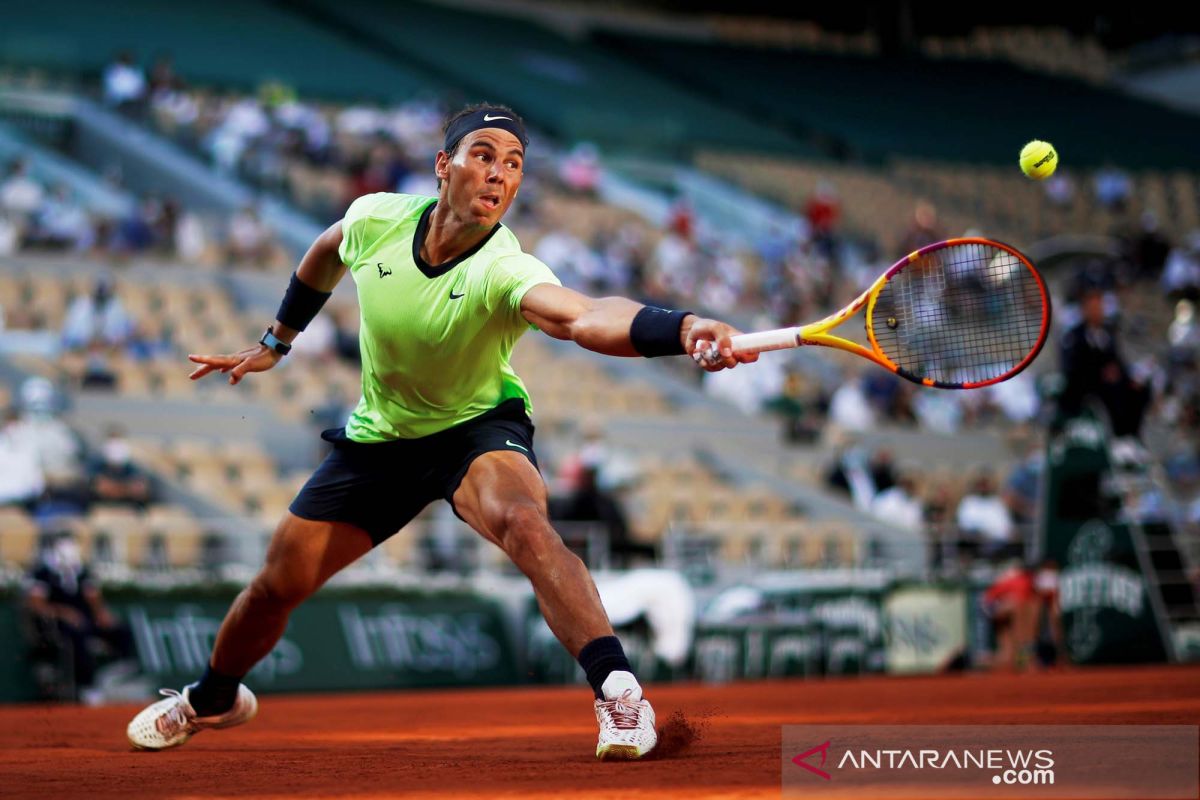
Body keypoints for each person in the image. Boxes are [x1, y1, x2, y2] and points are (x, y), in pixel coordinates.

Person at [125, 104, 755, 759]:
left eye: (514, 165)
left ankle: (620, 698)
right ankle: (212, 699)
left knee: (526, 525)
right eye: (483, 155)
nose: (499, 175)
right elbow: (324, 251)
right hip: (380, 441)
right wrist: (277, 340)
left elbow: (584, 316)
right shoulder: (376, 220)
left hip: (473, 431)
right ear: (443, 165)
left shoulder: (504, 268)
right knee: (276, 585)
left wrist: (680, 328)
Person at [24, 531, 137, 703]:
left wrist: (102, 614)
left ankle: (120, 676)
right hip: (58, 626)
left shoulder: (82, 571)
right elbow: (37, 605)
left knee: (121, 630)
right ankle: (86, 686)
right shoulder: (42, 573)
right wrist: (64, 613)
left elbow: (92, 596)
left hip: (86, 621)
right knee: (78, 636)